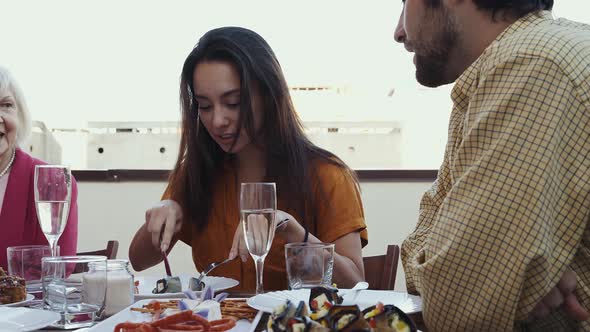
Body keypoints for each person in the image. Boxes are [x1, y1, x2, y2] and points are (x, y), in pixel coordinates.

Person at [394, 0, 590, 330]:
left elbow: (456, 304)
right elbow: (429, 256)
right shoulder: (508, 69)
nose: (399, 32)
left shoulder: (533, 65)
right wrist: (529, 278)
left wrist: (506, 278)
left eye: (403, 2)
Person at [129, 27, 367, 291]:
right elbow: (138, 261)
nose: (217, 120)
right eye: (205, 106)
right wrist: (168, 206)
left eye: (233, 102)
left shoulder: (327, 175)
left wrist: (291, 231)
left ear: (269, 95)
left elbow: (356, 281)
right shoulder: (199, 174)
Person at [0, 66, 78, 270]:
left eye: (6, 105)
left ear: (20, 114)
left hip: (24, 302)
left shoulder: (53, 181)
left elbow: (58, 267)